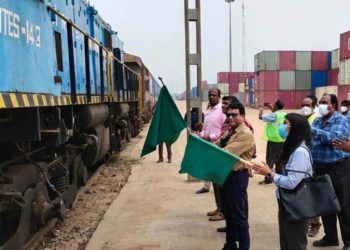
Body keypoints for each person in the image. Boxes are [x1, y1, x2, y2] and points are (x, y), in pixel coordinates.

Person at [252, 113, 313, 250]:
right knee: (286, 242)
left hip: (297, 205)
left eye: (285, 124)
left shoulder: (300, 152)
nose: (282, 126)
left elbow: (291, 182)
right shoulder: (292, 148)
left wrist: (270, 173)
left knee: (295, 243)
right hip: (287, 202)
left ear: (295, 129)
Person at [310, 94, 350, 249]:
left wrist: (313, 132)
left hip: (338, 168)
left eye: (324, 102)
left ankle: (348, 241)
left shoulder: (341, 120)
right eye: (320, 102)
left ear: (333, 105)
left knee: (343, 204)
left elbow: (335, 138)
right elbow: (314, 140)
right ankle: (330, 237)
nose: (321, 105)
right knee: (325, 204)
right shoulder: (318, 120)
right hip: (319, 168)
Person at [217, 102, 255, 250]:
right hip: (226, 175)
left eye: (234, 115)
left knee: (239, 215)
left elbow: (225, 153)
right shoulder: (231, 131)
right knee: (228, 212)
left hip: (237, 177)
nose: (230, 117)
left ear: (243, 116)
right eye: (228, 115)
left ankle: (244, 247)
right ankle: (230, 244)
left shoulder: (245, 134)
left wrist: (211, 149)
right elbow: (218, 143)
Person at [195, 88, 226, 221]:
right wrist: (200, 135)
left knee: (219, 180)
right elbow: (206, 130)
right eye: (210, 95)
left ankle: (223, 211)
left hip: (218, 147)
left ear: (219, 96)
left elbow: (225, 130)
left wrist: (210, 138)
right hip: (209, 147)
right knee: (214, 179)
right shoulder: (208, 111)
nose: (212, 97)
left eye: (214, 95)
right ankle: (219, 207)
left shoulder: (222, 111)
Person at [300, 96, 321, 237]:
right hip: (305, 160)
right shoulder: (305, 118)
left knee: (314, 194)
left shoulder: (315, 118)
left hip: (313, 161)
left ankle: (315, 224)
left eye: (307, 105)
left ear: (314, 106)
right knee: (305, 193)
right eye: (303, 104)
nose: (304, 107)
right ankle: (308, 222)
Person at [258, 99, 286, 184]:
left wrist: (261, 108)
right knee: (279, 160)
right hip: (282, 140)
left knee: (270, 160)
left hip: (273, 141)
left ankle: (268, 179)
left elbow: (260, 117)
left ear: (276, 106)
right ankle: (279, 177)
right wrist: (271, 108)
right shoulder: (284, 114)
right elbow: (275, 117)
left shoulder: (274, 115)